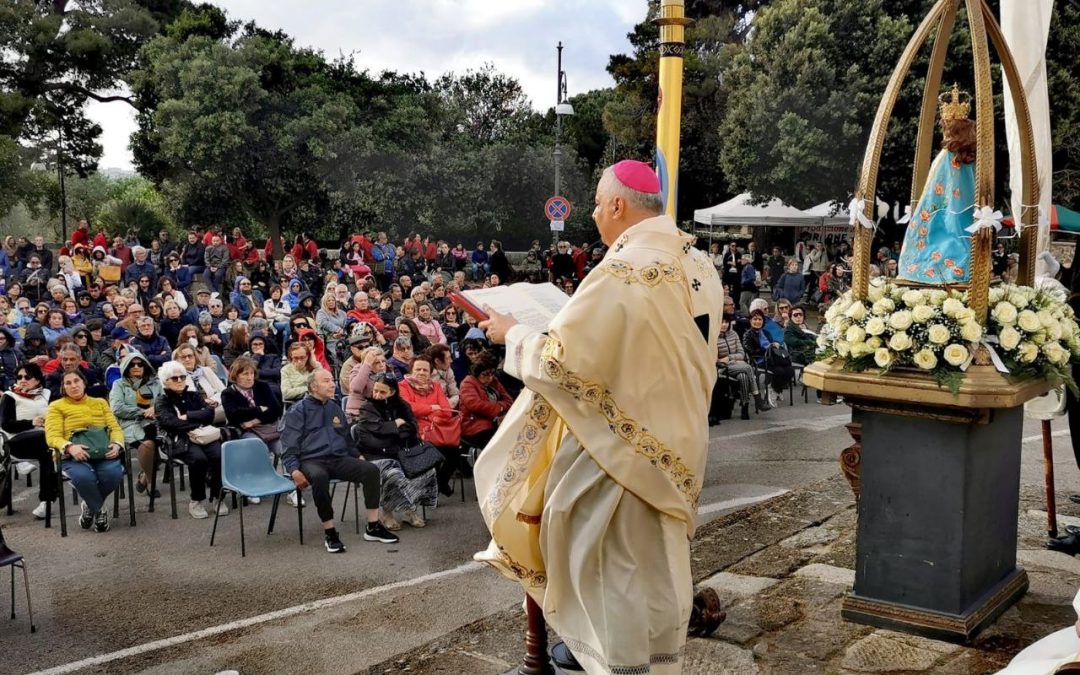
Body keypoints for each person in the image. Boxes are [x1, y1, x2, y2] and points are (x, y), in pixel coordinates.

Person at [475, 159, 722, 674]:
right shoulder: (698, 264)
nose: (592, 212)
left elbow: (563, 362)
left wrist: (510, 334)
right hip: (677, 440)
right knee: (658, 565)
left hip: (622, 449)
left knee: (614, 569)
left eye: (595, 202)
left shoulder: (621, 271)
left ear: (617, 204)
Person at [281, 369, 400, 552]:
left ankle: (373, 526)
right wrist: (294, 470)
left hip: (337, 458)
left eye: (332, 380)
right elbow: (289, 445)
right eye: (326, 381)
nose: (332, 384)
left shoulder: (334, 407)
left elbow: (346, 438)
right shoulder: (298, 411)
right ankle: (330, 532)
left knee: (370, 470)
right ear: (313, 386)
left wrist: (357, 455)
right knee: (319, 477)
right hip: (312, 460)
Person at [898, 85, 977, 284]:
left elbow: (933, 191)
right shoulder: (973, 157)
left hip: (947, 212)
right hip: (969, 213)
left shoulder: (947, 156)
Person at [353, 373, 438, 530]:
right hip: (374, 454)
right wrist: (396, 424)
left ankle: (409, 509)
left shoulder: (402, 405)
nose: (377, 395)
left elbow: (412, 427)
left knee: (427, 471)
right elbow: (375, 431)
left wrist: (391, 429)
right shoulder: (367, 407)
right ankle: (387, 511)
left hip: (401, 451)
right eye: (375, 390)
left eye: (382, 392)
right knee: (393, 474)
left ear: (392, 392)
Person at [45, 370, 126, 533]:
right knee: (83, 477)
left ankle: (89, 505)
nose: (73, 385)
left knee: (114, 473)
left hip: (102, 451)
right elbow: (52, 436)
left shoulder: (100, 403)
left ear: (84, 383)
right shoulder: (56, 406)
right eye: (68, 383)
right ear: (63, 387)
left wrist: (117, 444)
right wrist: (69, 447)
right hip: (72, 456)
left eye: (76, 381)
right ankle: (99, 510)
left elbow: (114, 427)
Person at [155, 360, 227, 520]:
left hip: (203, 435)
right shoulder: (162, 400)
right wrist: (195, 421)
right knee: (198, 459)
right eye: (175, 378)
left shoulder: (194, 395)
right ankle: (197, 500)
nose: (180, 381)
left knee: (219, 456)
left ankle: (218, 497)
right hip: (180, 439)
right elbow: (169, 423)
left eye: (182, 377)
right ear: (165, 381)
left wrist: (188, 416)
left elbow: (209, 415)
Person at [1, 364, 57, 519]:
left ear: (38, 379)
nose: (22, 380)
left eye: (27, 377)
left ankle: (46, 501)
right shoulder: (10, 396)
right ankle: (59, 469)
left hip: (44, 439)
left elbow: (56, 414)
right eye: (19, 377)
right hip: (16, 441)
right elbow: (6, 424)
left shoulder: (46, 394)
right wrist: (31, 422)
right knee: (46, 442)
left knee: (48, 454)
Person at [399, 355, 458, 497]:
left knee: (455, 453)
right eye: (417, 369)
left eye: (425, 370)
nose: (421, 372)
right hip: (415, 430)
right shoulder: (403, 386)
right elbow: (408, 408)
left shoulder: (436, 386)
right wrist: (431, 408)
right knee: (433, 453)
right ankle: (433, 487)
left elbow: (446, 411)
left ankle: (439, 483)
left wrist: (426, 413)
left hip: (436, 429)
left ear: (430, 372)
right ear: (411, 370)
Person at [109, 352, 162, 498]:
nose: (136, 367)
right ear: (126, 367)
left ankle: (144, 476)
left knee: (162, 440)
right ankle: (151, 482)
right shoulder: (119, 384)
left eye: (140, 364)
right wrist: (142, 412)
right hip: (130, 423)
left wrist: (155, 409)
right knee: (149, 444)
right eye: (132, 364)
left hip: (156, 421)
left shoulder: (156, 383)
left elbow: (164, 402)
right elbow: (117, 408)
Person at [221, 356, 283, 457]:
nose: (250, 377)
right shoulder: (228, 393)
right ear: (236, 376)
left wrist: (253, 421)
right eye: (245, 374)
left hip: (270, 429)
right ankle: (261, 472)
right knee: (260, 449)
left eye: (252, 373)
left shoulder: (262, 386)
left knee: (285, 450)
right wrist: (259, 409)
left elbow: (276, 410)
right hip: (247, 431)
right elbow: (234, 415)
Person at [717, 314, 768, 420]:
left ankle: (745, 408)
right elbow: (716, 359)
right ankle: (757, 399)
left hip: (737, 365)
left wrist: (730, 358)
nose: (724, 325)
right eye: (722, 322)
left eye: (726, 322)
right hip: (722, 368)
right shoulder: (713, 337)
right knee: (748, 368)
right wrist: (731, 361)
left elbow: (742, 354)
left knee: (743, 376)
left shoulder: (733, 334)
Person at [459, 353, 512, 448]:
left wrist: (499, 408)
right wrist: (500, 407)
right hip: (475, 425)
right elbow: (475, 405)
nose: (490, 378)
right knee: (500, 443)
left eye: (492, 373)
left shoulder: (494, 382)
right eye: (485, 374)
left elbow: (508, 401)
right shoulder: (468, 383)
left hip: (496, 422)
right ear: (477, 372)